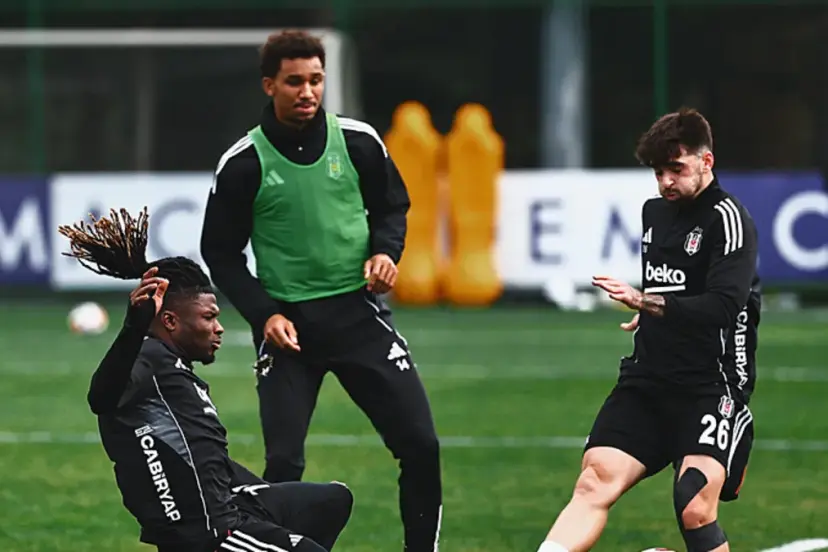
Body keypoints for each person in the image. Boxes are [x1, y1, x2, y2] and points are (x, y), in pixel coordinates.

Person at [199, 30, 442, 551]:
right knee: (284, 465)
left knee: (421, 446)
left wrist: (385, 253)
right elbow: (219, 253)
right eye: (294, 81)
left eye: (316, 79)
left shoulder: (358, 142)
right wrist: (265, 314)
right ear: (269, 85)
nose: (307, 91)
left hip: (360, 319)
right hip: (289, 333)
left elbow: (392, 208)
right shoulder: (244, 163)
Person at [58, 207, 354, 552]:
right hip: (207, 534)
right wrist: (133, 326)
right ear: (170, 321)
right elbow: (101, 397)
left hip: (230, 508)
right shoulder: (147, 357)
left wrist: (263, 496)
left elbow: (208, 458)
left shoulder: (174, 368)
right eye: (209, 317)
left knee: (331, 501)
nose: (219, 328)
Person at [535, 108, 761, 552]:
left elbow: (723, 306)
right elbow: (672, 289)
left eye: (676, 169)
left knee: (694, 503)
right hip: (647, 380)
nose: (665, 182)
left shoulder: (729, 219)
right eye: (658, 172)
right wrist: (654, 311)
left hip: (710, 384)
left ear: (706, 161)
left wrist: (645, 302)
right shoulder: (654, 213)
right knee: (594, 481)